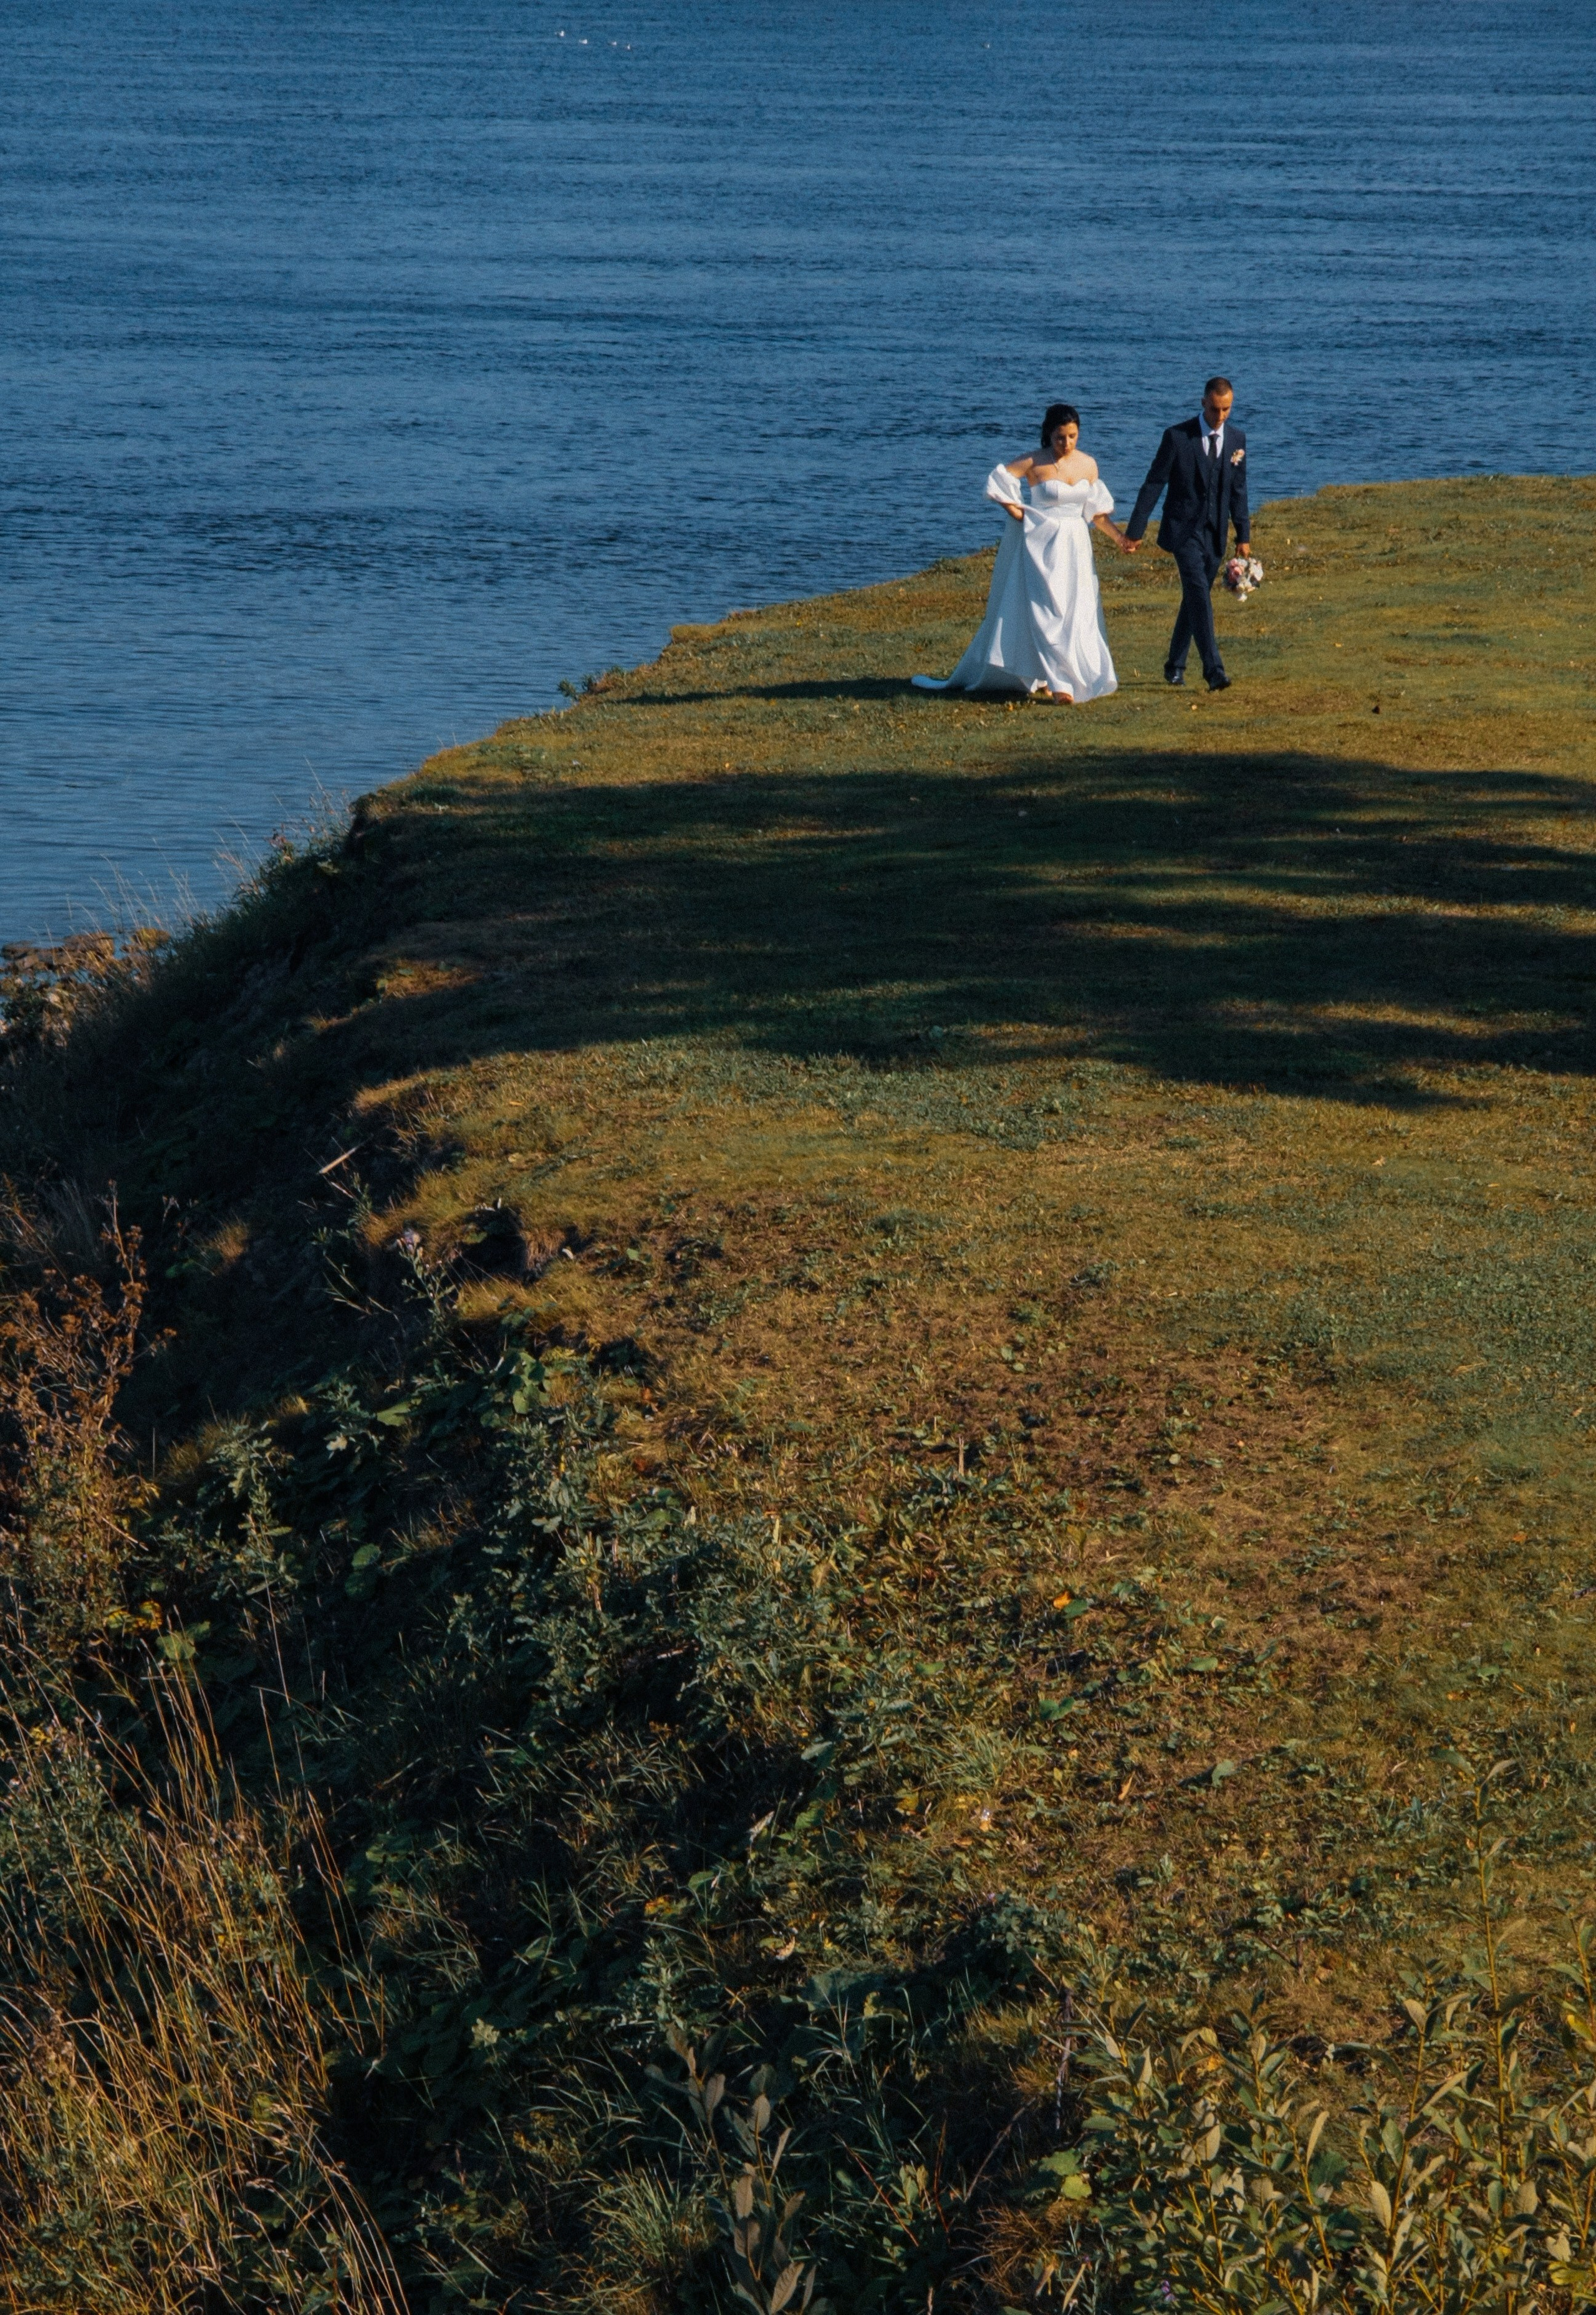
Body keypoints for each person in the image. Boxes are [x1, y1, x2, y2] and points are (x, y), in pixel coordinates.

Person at [912, 403, 1134, 704]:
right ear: (1049, 434)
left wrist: (1120, 538)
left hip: (1076, 548)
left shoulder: (1088, 465)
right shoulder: (1034, 461)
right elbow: (1000, 479)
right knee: (1046, 612)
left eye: (1072, 436)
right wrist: (1017, 511)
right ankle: (1061, 685)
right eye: (1060, 437)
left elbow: (1096, 513)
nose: (1066, 443)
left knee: (1074, 612)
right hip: (1042, 545)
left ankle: (1050, 677)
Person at [1123, 377, 1251, 691]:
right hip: (1183, 530)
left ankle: (1175, 665)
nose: (1220, 416)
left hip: (1216, 531)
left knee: (1197, 597)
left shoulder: (1237, 439)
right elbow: (1154, 483)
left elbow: (1238, 490)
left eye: (1226, 410)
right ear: (1202, 403)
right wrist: (1135, 531)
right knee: (1197, 591)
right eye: (1215, 409)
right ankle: (1214, 671)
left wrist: (1243, 535)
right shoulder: (1177, 437)